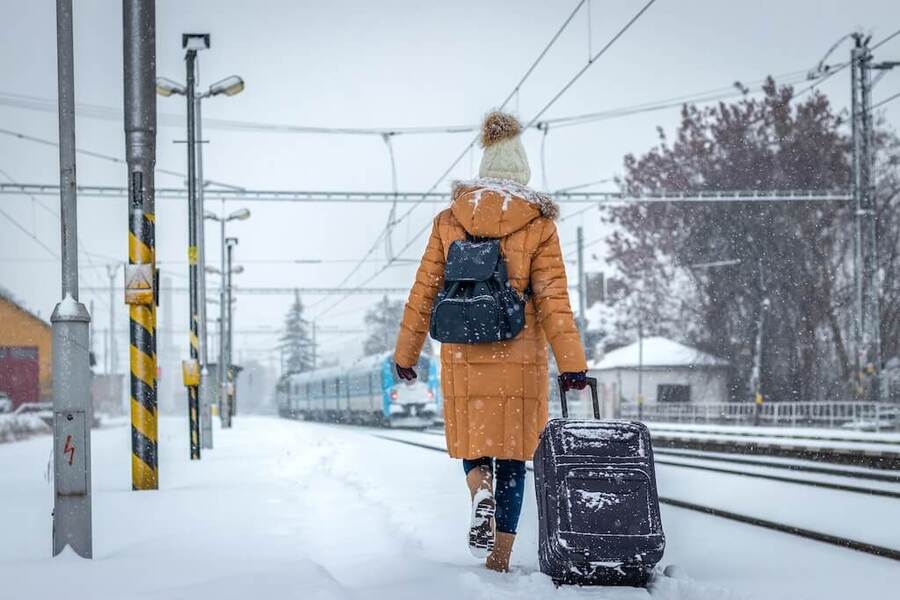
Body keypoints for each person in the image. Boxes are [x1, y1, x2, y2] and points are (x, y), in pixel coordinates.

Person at [393, 111, 587, 573]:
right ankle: (499, 557)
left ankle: (479, 486)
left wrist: (406, 353)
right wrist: (573, 365)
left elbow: (423, 293)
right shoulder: (539, 225)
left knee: (475, 443)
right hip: (518, 354)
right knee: (514, 456)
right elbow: (554, 300)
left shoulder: (449, 220)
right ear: (522, 172)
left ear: (484, 169)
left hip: (461, 350)